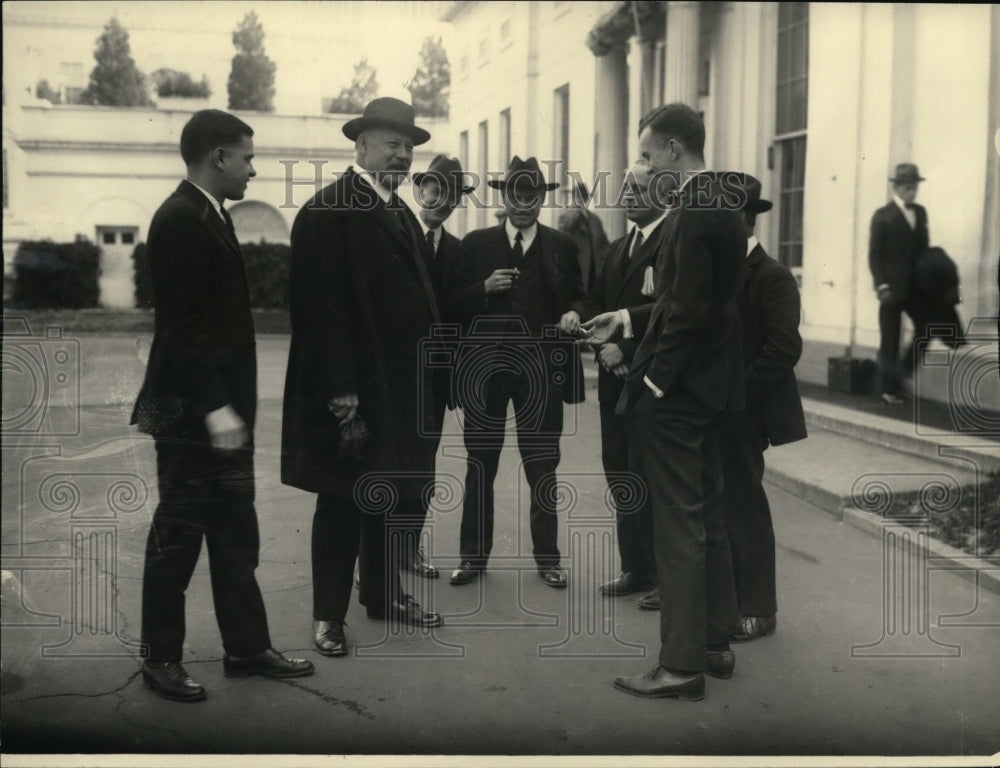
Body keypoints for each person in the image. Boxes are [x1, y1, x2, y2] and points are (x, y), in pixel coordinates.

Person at [131, 109, 314, 703]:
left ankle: (247, 648)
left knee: (236, 530)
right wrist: (215, 408)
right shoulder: (181, 219)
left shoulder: (209, 214)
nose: (253, 170)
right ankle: (160, 658)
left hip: (218, 413)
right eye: (248, 157)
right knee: (178, 535)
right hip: (192, 414)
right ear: (218, 157)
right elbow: (183, 329)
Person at [581, 103, 744, 701]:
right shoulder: (720, 201)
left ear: (675, 149)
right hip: (711, 390)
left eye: (648, 156)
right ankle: (714, 645)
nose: (644, 168)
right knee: (706, 518)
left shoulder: (694, 209)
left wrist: (652, 385)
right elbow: (687, 301)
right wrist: (625, 317)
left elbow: (688, 314)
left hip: (677, 396)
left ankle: (679, 666)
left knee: (678, 527)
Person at [282, 97, 444, 660]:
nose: (402, 155)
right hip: (354, 394)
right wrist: (342, 392)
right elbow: (316, 312)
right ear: (361, 146)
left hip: (401, 390)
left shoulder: (399, 213)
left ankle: (382, 594)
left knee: (390, 495)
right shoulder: (328, 210)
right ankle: (328, 615)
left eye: (409, 147)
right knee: (342, 501)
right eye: (392, 144)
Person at [449, 156, 586, 589]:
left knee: (542, 466)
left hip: (541, 372)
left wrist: (573, 312)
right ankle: (472, 558)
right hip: (486, 373)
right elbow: (451, 303)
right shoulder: (476, 244)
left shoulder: (562, 245)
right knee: (479, 465)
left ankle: (548, 559)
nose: (523, 204)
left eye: (531, 196)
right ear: (504, 197)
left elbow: (582, 297)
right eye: (515, 195)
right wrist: (483, 289)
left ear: (542, 199)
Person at [720, 173, 807, 643]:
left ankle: (759, 608)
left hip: (745, 411)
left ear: (743, 217)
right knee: (718, 503)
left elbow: (784, 348)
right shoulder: (716, 270)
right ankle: (727, 601)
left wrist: (739, 395)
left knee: (744, 503)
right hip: (713, 407)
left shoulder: (771, 275)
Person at [579, 163, 668, 603]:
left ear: (665, 194)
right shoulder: (618, 248)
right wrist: (602, 348)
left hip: (651, 383)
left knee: (650, 476)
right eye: (626, 187)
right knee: (620, 472)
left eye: (639, 187)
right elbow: (597, 305)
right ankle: (635, 567)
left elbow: (676, 315)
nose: (628, 194)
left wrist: (626, 352)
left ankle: (663, 576)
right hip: (614, 384)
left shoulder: (672, 244)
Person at [399, 154, 481, 580]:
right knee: (385, 467)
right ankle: (369, 558)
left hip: (434, 381)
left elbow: (458, 312)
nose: (442, 201)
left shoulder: (457, 250)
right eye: (435, 191)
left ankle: (408, 550)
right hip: (394, 376)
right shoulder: (398, 236)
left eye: (451, 196)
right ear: (420, 190)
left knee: (422, 468)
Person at [868, 163, 929, 405]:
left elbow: (924, 250)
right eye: (907, 187)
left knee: (927, 327)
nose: (912, 192)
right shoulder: (883, 215)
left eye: (914, 187)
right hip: (891, 289)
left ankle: (901, 374)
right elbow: (874, 255)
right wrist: (881, 286)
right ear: (896, 188)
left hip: (915, 288)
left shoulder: (921, 212)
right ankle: (888, 389)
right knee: (890, 339)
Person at [557, 181, 611, 294]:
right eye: (578, 196)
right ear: (573, 197)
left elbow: (605, 245)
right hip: (576, 273)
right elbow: (562, 233)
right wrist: (576, 211)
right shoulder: (565, 216)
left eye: (584, 196)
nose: (582, 199)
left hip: (595, 274)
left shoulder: (595, 219)